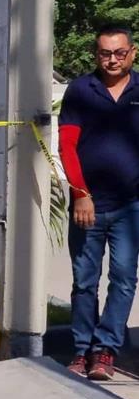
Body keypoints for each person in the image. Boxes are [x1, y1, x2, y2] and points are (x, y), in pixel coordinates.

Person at [58, 24, 138, 380]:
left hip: (131, 207)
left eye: (119, 53)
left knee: (123, 278)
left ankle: (105, 350)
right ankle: (81, 350)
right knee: (85, 281)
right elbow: (67, 146)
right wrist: (80, 195)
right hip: (88, 205)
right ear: (96, 55)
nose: (112, 60)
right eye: (105, 53)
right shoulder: (80, 91)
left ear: (132, 53)